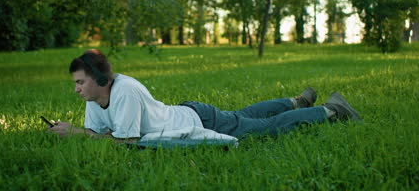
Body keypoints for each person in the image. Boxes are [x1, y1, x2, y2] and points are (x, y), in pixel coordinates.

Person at [49, 49, 362, 143]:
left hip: (197, 120)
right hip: (191, 111)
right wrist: (80, 132)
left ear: (99, 79)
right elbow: (97, 132)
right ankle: (297, 101)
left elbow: (127, 143)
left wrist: (78, 134)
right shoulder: (94, 100)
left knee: (259, 129)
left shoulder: (125, 92)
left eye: (80, 82)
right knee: (246, 116)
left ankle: (331, 109)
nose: (76, 88)